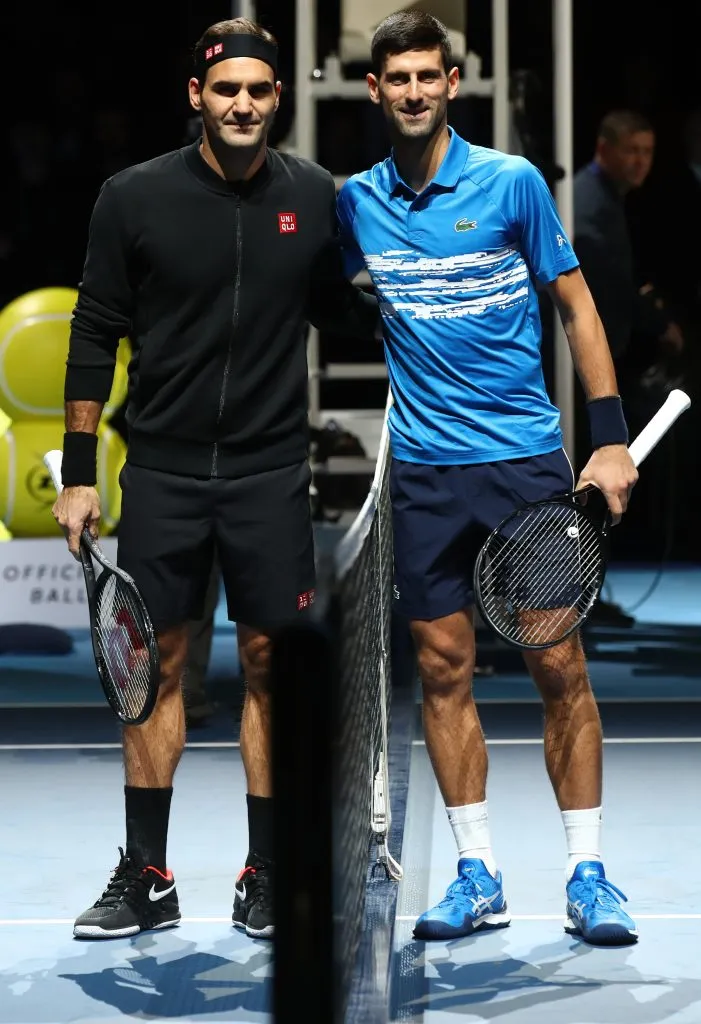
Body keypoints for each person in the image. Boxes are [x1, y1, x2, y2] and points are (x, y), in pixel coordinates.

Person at [52, 17, 380, 941]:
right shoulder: (132, 197)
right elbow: (92, 335)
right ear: (195, 96)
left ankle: (267, 872)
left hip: (271, 474)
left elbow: (338, 309)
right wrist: (81, 475)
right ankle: (147, 875)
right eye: (226, 88)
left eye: (259, 90)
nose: (243, 103)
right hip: (160, 471)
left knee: (274, 670)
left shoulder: (316, 196)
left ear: (278, 98)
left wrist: (424, 303)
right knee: (151, 670)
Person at [337, 11, 639, 946]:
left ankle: (588, 874)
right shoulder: (353, 204)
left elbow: (578, 310)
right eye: (399, 78)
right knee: (441, 670)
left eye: (429, 75)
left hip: (522, 469)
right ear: (377, 89)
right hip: (426, 477)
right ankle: (477, 874)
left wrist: (609, 438)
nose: (415, 91)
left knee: (558, 664)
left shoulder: (510, 184)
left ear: (452, 81)